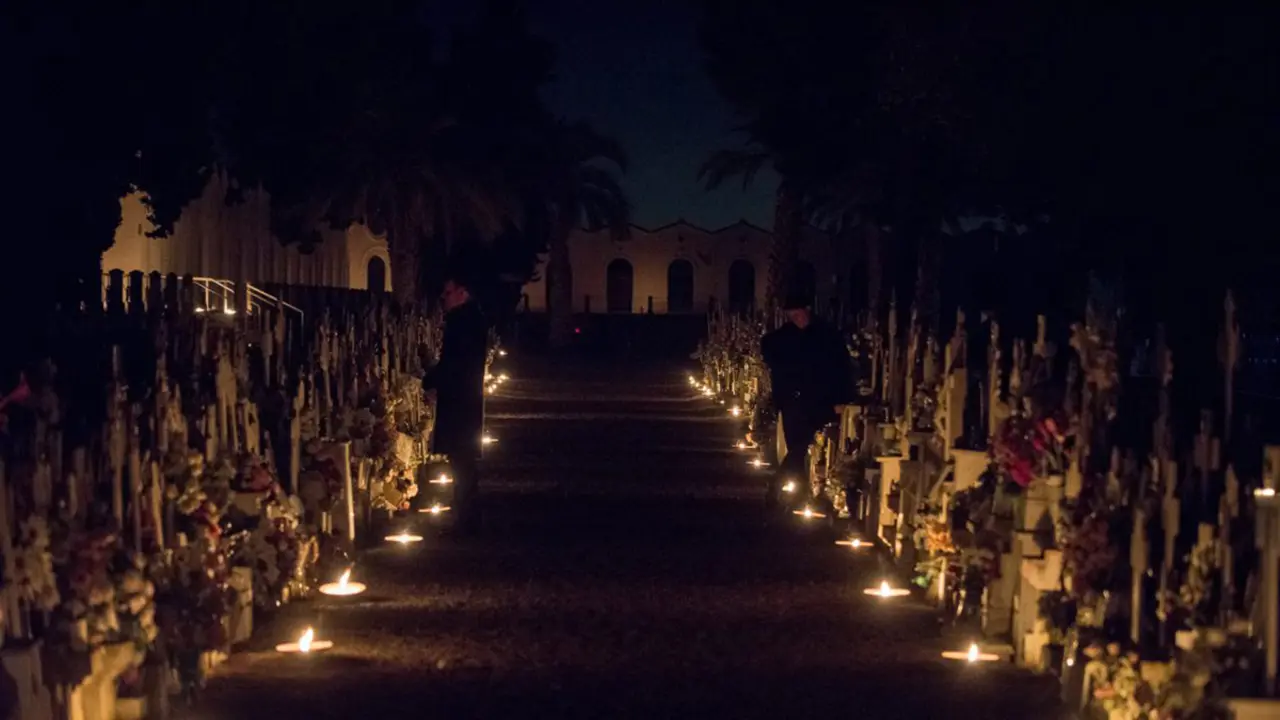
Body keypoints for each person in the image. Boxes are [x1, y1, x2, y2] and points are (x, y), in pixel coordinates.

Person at [760, 291, 854, 510]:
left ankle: (776, 487)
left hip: (821, 400)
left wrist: (842, 398)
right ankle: (800, 493)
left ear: (808, 310)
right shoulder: (784, 336)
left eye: (799, 314)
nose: (797, 319)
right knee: (797, 446)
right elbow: (769, 348)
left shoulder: (827, 334)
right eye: (792, 316)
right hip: (793, 400)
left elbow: (841, 368)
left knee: (805, 446)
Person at [423, 273, 490, 534]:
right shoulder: (470, 319)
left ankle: (466, 519)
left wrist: (429, 380)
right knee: (462, 461)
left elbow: (453, 362)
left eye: (448, 293)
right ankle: (466, 516)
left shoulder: (463, 322)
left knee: (462, 461)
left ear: (463, 293)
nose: (443, 298)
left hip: (459, 399)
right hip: (463, 397)